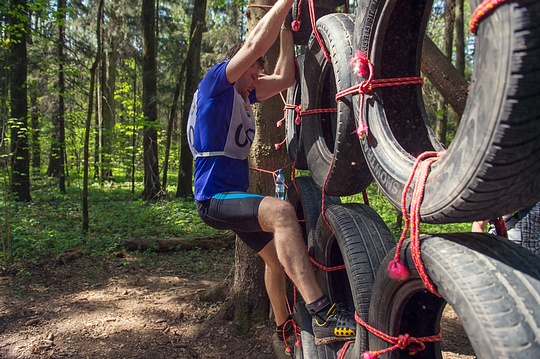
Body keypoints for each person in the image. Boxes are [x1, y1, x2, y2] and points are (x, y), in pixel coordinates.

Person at [186, 0, 356, 346]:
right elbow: (252, 47)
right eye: (252, 73)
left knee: (277, 261)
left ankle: (284, 328)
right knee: (281, 213)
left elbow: (285, 78)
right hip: (214, 198)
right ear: (238, 67)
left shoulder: (243, 93)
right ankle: (321, 311)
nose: (257, 80)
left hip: (231, 198)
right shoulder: (216, 83)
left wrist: (286, 31)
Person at [472, 201, 540, 255]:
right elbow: (478, 225)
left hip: (533, 260)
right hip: (503, 255)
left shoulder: (537, 200)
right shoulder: (499, 199)